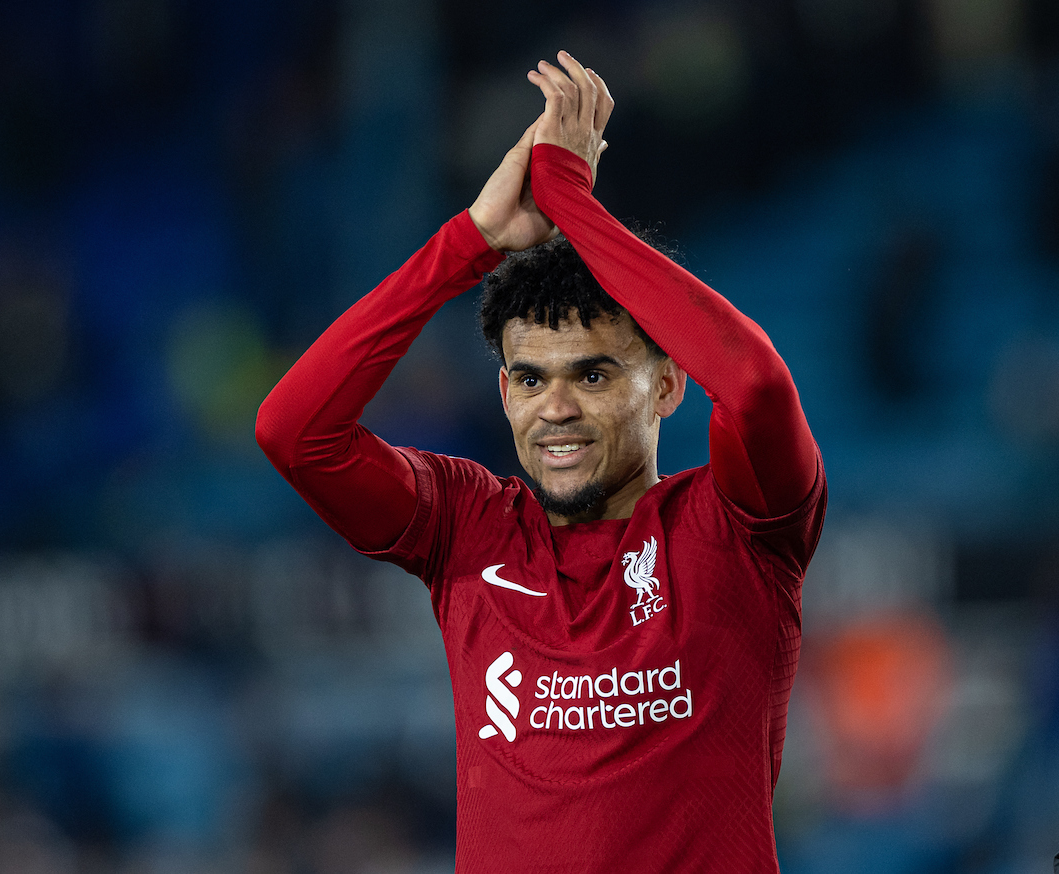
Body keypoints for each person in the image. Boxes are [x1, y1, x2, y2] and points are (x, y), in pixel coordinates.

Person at [256, 51, 826, 873]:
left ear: (667, 386)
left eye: (593, 374)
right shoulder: (468, 528)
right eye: (530, 378)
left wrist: (570, 201)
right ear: (504, 392)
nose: (555, 407)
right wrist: (474, 241)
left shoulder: (741, 530)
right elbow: (293, 430)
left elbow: (756, 385)